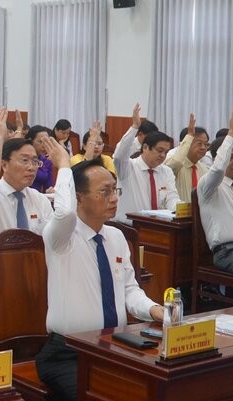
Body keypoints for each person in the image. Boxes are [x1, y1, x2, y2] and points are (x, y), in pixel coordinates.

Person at [36, 138, 162, 401]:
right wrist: (63, 166)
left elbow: (129, 289)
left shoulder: (116, 237)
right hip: (68, 353)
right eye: (104, 192)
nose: (114, 198)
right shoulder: (61, 238)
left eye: (115, 190)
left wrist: (153, 309)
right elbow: (65, 214)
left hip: (116, 346)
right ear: (78, 198)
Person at [0, 107, 53, 255]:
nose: (31, 168)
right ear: (4, 165)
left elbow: (52, 240)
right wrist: (0, 138)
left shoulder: (41, 200)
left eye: (35, 162)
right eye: (24, 160)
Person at [197, 106, 233, 292]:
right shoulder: (209, 186)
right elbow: (217, 170)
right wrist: (231, 134)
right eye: (231, 157)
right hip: (227, 251)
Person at [112, 104, 180, 224]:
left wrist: (179, 210)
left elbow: (171, 197)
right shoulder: (128, 167)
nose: (163, 156)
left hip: (157, 227)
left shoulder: (166, 171)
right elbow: (119, 155)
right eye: (159, 151)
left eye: (166, 152)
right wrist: (134, 127)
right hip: (129, 228)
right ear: (145, 147)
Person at [164, 113, 210, 202]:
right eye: (199, 143)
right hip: (178, 213)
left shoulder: (205, 169)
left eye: (206, 144)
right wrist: (189, 136)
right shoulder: (176, 165)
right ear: (187, 143)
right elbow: (175, 163)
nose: (203, 147)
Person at [25, 126, 56, 193]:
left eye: (46, 142)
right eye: (40, 142)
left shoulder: (47, 161)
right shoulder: (23, 159)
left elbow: (49, 186)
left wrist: (49, 191)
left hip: (40, 198)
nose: (44, 145)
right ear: (31, 141)